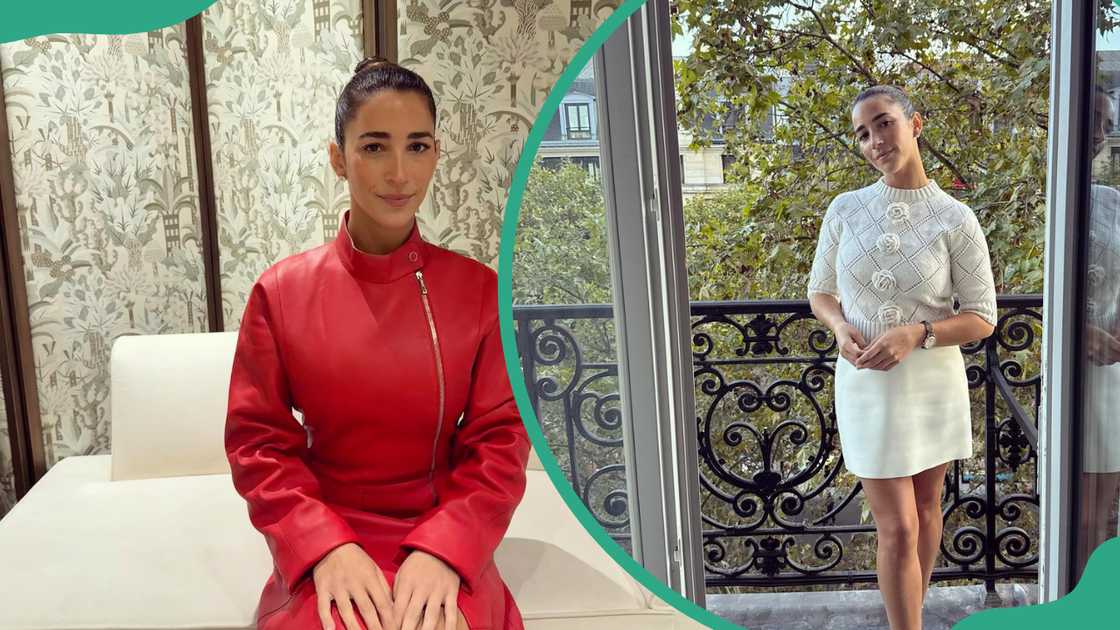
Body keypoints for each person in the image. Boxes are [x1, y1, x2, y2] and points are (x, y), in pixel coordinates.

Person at [225, 57, 530, 630]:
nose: (398, 173)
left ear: (437, 153)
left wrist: (447, 548)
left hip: (445, 530)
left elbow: (501, 442)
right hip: (327, 532)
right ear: (338, 156)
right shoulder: (281, 291)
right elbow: (259, 444)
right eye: (373, 146)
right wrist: (322, 547)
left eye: (417, 146)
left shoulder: (479, 292)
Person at [806, 85, 996, 630]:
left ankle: (911, 608)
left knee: (928, 507)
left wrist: (918, 333)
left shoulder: (955, 218)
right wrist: (839, 324)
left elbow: (984, 315)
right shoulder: (845, 209)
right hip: (866, 382)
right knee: (898, 527)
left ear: (916, 123)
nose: (874, 141)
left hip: (931, 379)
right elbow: (820, 291)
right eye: (863, 134)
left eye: (883, 123)